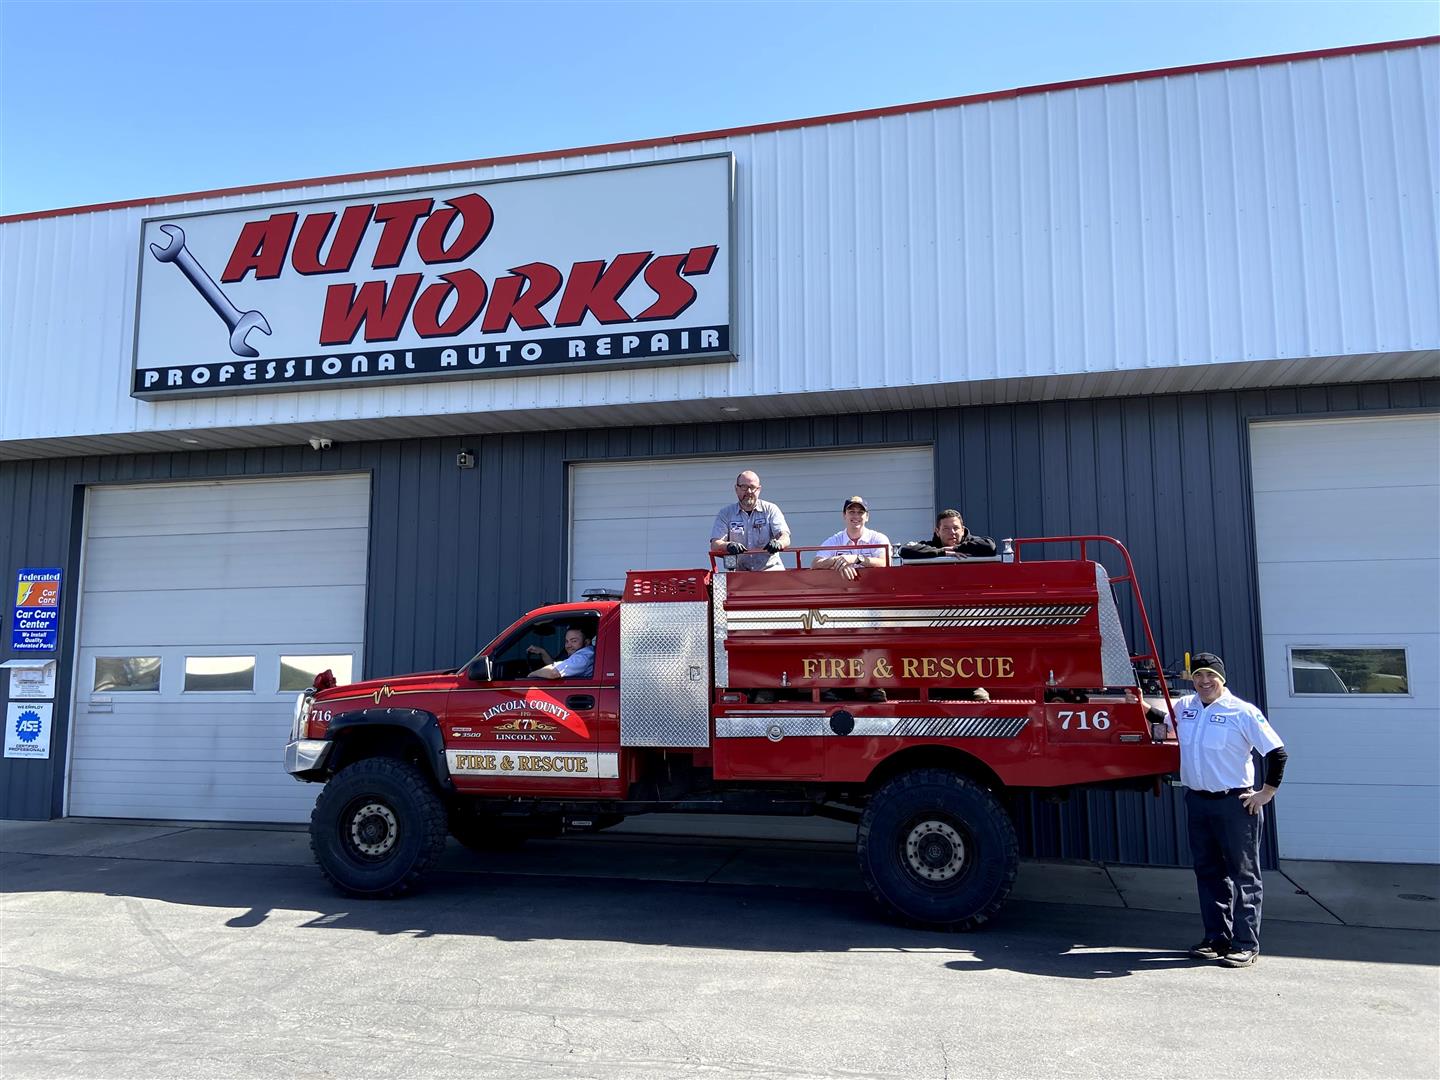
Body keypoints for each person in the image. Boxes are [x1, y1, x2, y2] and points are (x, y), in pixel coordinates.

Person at [1175, 651, 1288, 969]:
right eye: (1198, 675)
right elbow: (1154, 714)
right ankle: (1216, 939)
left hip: (1235, 804)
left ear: (1222, 678)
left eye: (1210, 675)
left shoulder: (1243, 712)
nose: (1204, 681)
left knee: (1244, 875)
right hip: (1198, 802)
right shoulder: (1185, 708)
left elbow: (1277, 753)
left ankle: (1245, 944)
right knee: (1209, 872)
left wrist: (1265, 793)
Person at [709, 470, 791, 571]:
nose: (748, 491)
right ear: (736, 488)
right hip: (741, 575)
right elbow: (715, 544)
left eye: (752, 487)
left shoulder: (770, 509)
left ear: (759, 489)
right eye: (744, 487)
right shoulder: (726, 514)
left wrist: (779, 543)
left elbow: (785, 537)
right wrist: (728, 545)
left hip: (771, 572)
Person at [813, 496, 891, 581]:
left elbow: (885, 563)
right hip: (843, 591)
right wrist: (839, 561)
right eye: (851, 512)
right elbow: (815, 564)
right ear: (844, 515)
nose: (856, 516)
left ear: (867, 517)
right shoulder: (834, 540)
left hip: (875, 590)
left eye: (860, 512)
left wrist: (856, 558)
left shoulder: (878, 538)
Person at [899, 509, 997, 560]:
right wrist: (942, 552)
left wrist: (956, 548)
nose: (952, 532)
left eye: (956, 528)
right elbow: (905, 549)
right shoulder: (931, 546)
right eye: (946, 529)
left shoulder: (974, 542)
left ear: (963, 530)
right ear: (937, 532)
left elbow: (990, 546)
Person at [528, 628, 595, 680]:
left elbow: (553, 672)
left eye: (574, 641)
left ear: (586, 642)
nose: (568, 645)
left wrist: (531, 675)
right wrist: (543, 652)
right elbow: (556, 666)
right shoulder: (586, 653)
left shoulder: (582, 658)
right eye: (567, 641)